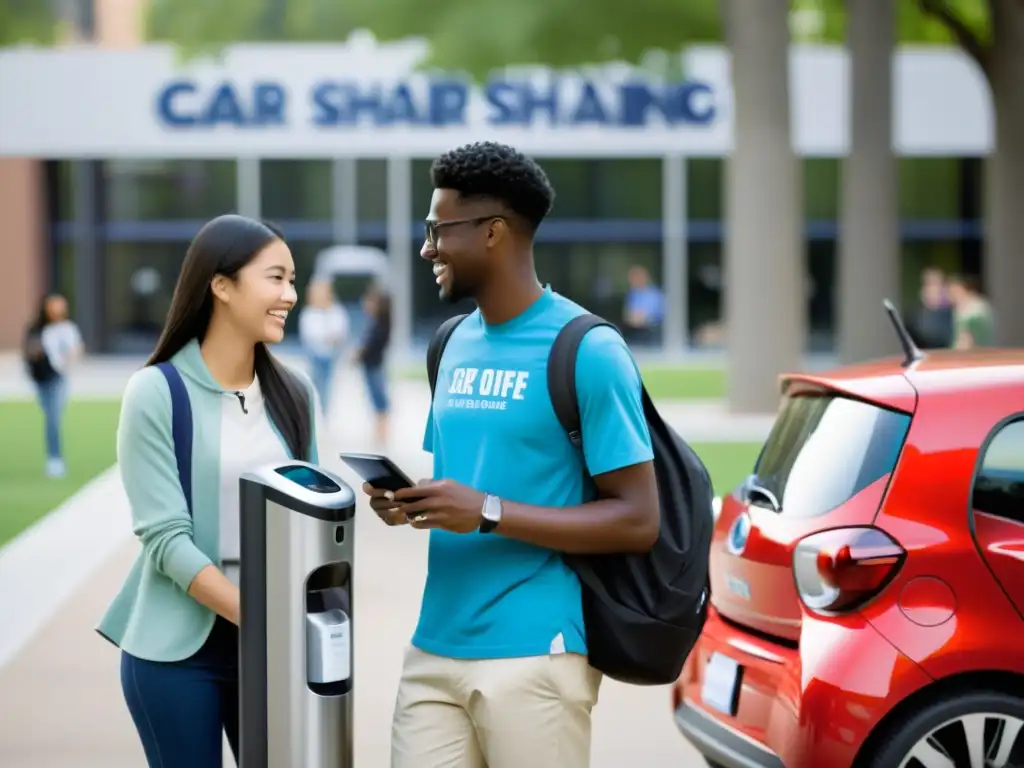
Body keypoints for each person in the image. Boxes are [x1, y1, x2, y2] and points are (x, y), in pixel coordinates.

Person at [361, 142, 660, 768]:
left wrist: (489, 512)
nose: (426, 249)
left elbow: (637, 519)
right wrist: (416, 502)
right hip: (433, 647)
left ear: (493, 232)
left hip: (536, 654)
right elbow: (467, 488)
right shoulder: (448, 345)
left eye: (437, 229)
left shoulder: (588, 350)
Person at [96, 215, 328, 768]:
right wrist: (263, 615)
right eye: (275, 278)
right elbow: (166, 540)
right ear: (221, 285)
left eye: (293, 280)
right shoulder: (155, 393)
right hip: (177, 653)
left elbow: (309, 522)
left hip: (272, 648)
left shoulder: (296, 393)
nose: (290, 296)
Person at [22, 292, 83, 478]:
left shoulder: (67, 328)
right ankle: (54, 457)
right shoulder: (37, 328)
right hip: (41, 378)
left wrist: (69, 360)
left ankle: (55, 459)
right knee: (49, 416)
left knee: (53, 419)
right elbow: (28, 350)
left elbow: (76, 350)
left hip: (58, 378)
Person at [298, 277, 349, 415]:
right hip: (315, 354)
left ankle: (322, 413)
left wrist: (329, 339)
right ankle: (314, 412)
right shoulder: (309, 313)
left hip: (331, 354)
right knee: (315, 385)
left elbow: (340, 333)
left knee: (326, 387)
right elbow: (311, 335)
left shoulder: (336, 311)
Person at [355, 283, 392, 448]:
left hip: (374, 366)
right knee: (376, 400)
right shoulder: (375, 323)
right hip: (372, 366)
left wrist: (359, 353)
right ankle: (379, 433)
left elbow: (370, 347)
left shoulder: (379, 325)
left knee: (379, 400)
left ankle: (381, 434)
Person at [948, 273, 997, 349]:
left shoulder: (977, 308)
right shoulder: (958, 308)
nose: (951, 295)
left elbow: (967, 341)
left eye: (954, 290)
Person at [622, 265, 665, 345]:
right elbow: (628, 317)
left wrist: (637, 318)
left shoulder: (654, 294)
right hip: (635, 333)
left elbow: (645, 318)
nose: (631, 281)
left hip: (653, 334)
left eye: (634, 278)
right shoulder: (632, 294)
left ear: (644, 278)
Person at [913, 266, 954, 349]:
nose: (930, 289)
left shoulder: (950, 309)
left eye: (933, 284)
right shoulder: (917, 312)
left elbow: (945, 337)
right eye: (927, 284)